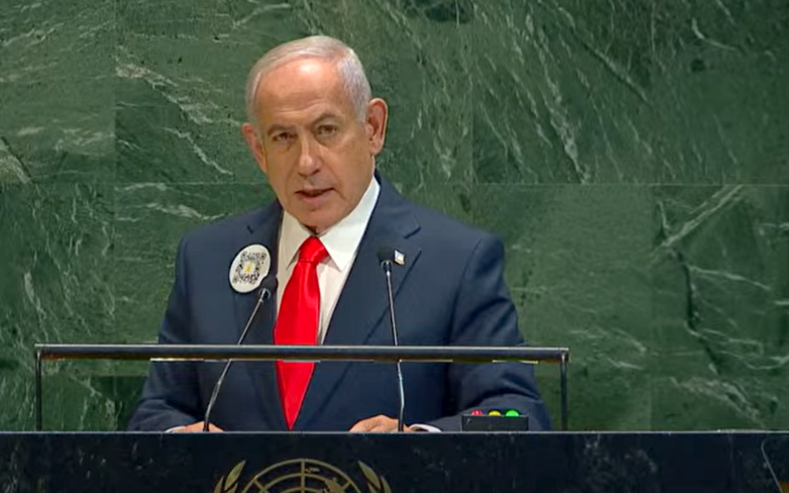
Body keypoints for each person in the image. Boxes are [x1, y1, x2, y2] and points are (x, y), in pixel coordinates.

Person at [128, 35, 551, 432]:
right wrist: (181, 437)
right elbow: (155, 413)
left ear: (373, 127)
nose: (306, 162)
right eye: (283, 137)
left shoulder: (457, 262)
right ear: (258, 149)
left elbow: (516, 414)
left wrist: (419, 439)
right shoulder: (207, 259)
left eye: (326, 130)